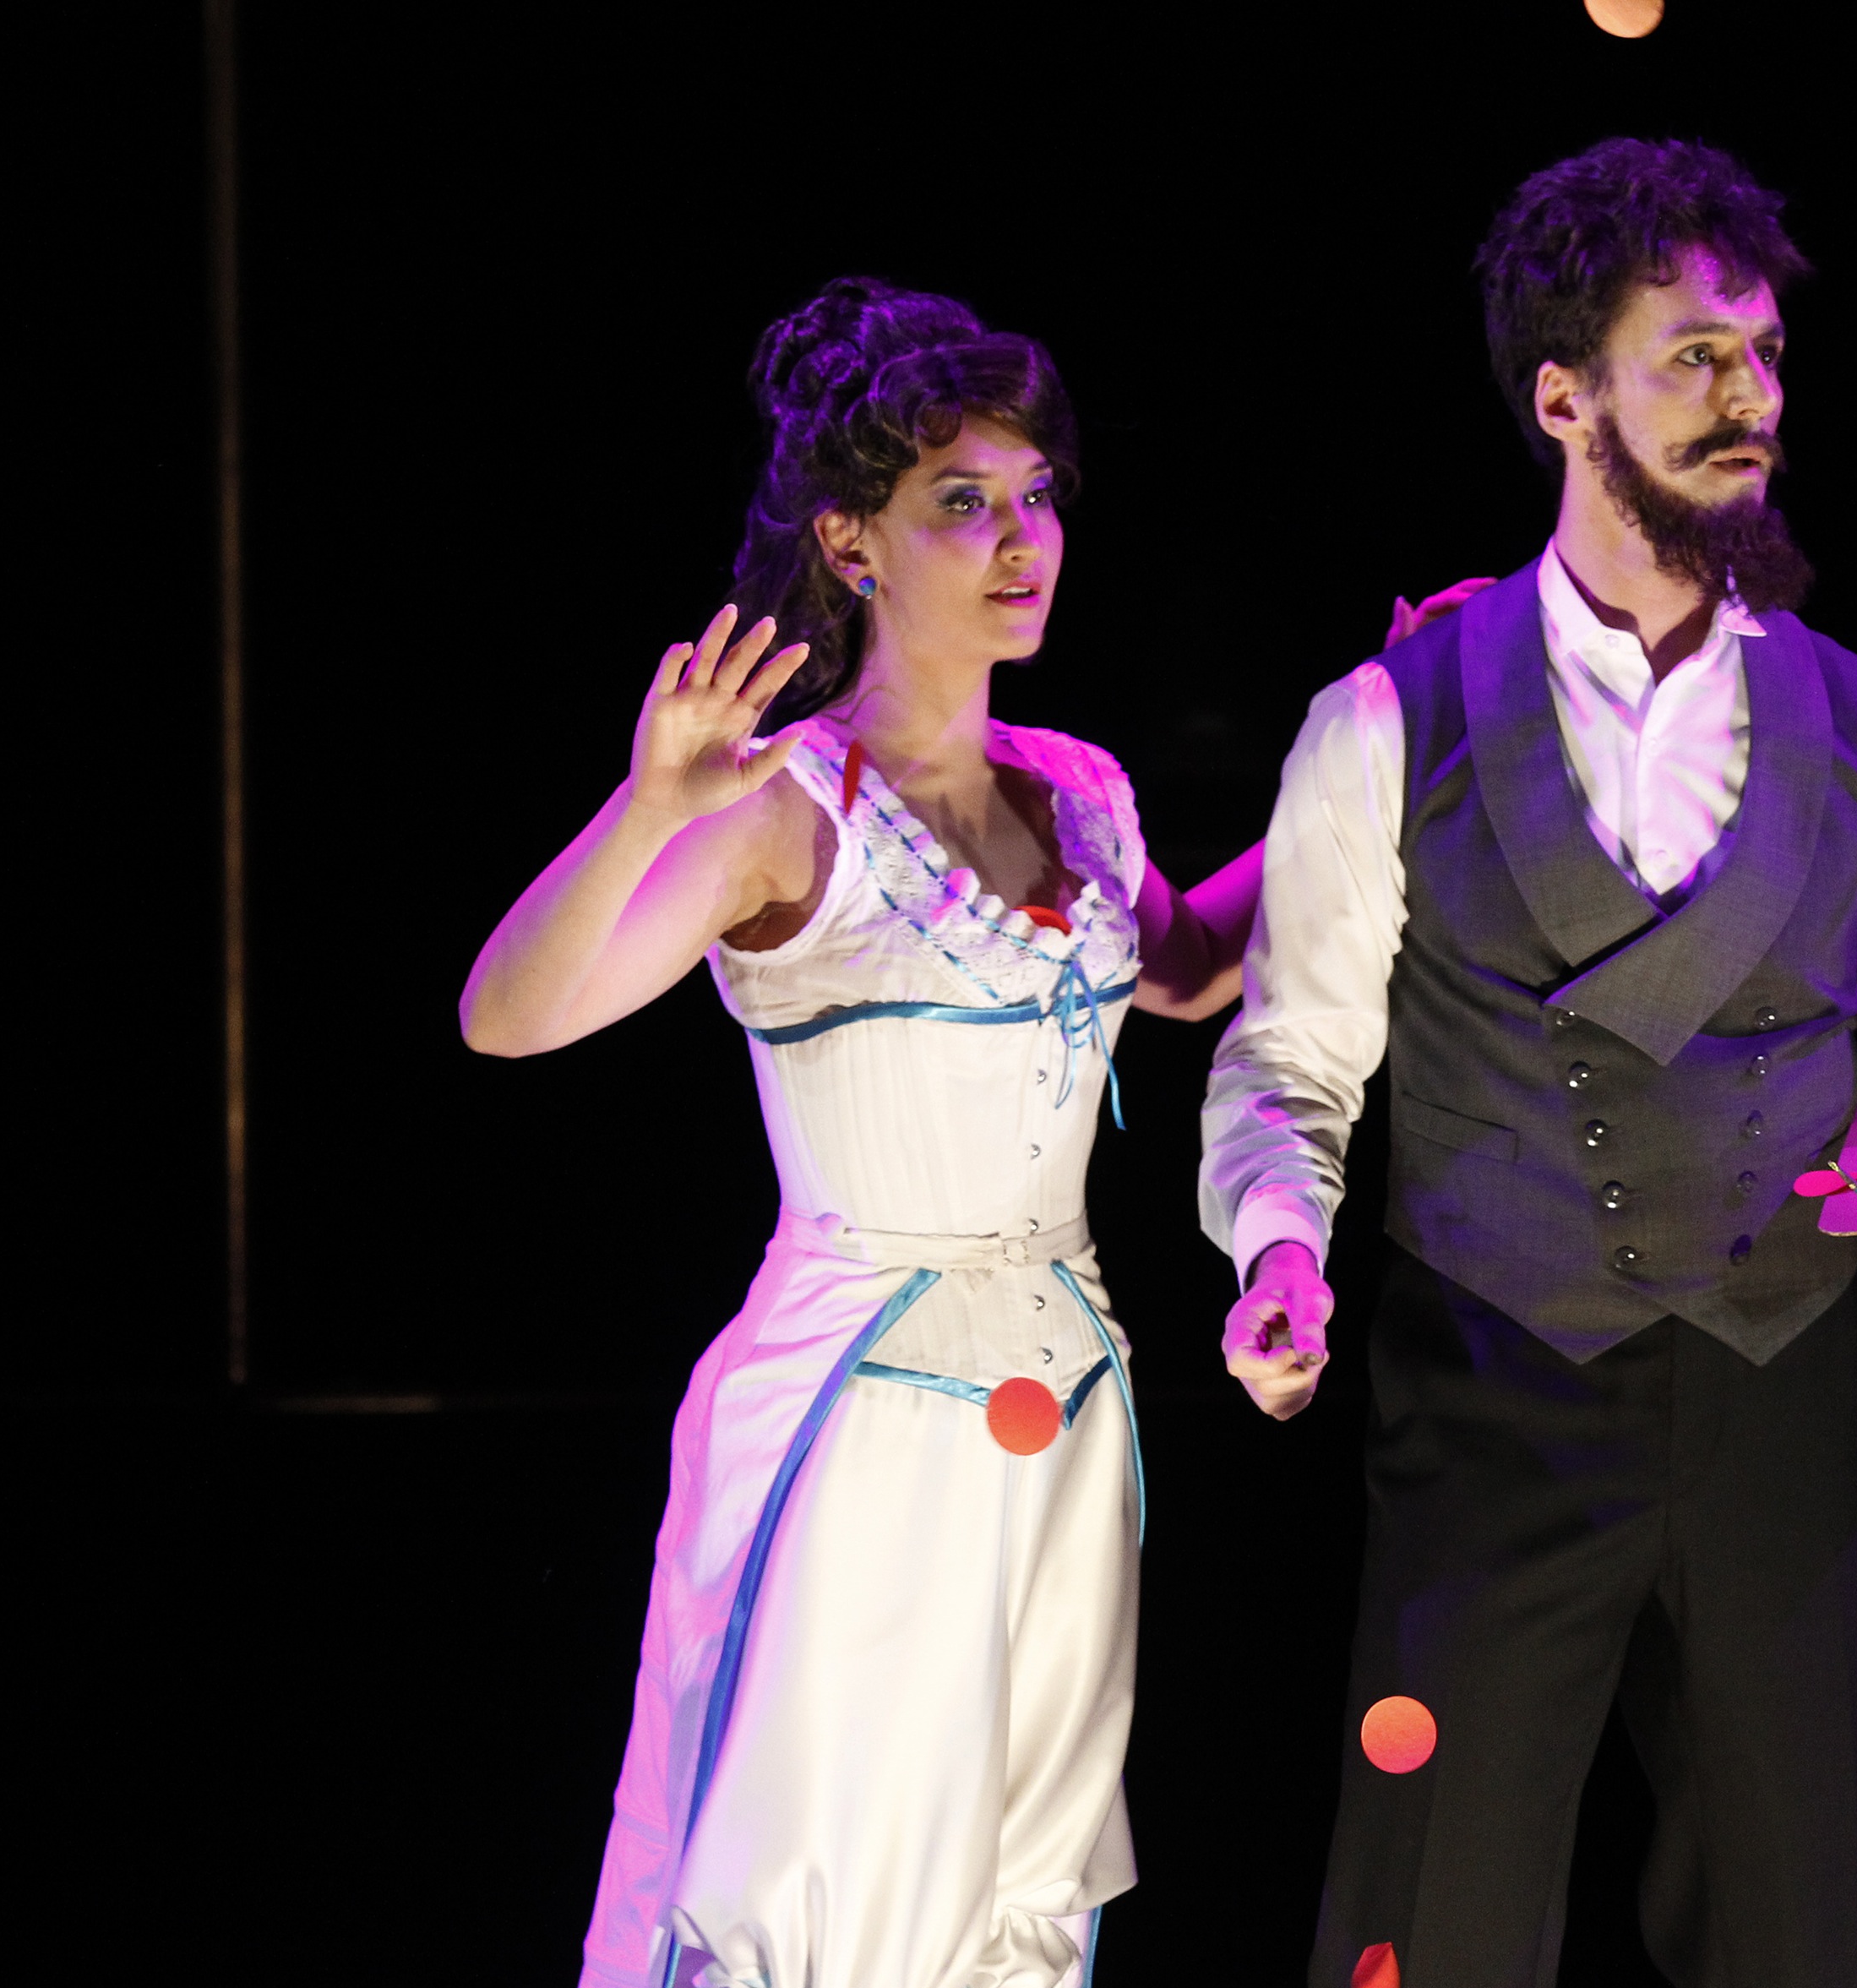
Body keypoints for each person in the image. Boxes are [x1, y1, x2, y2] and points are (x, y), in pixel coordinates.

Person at [1199, 140, 1857, 1985]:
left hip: (1786, 1400)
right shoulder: (1387, 721)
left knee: (1802, 1922)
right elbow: (1289, 1061)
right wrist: (1278, 1249)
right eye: (1695, 357)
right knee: (1432, 1921)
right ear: (1564, 398)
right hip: (1489, 1392)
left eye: (1765, 355)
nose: (1754, 398)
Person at [460, 278, 1260, 1988]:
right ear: (852, 541)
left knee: (1015, 1909)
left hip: (1068, 1408)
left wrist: (1386, 750)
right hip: (855, 1411)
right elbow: (507, 1015)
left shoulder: (1084, 789)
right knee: (826, 1898)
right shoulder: (785, 807)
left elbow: (1193, 969)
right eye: (962, 500)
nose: (1020, 537)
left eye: (1036, 493)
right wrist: (647, 810)